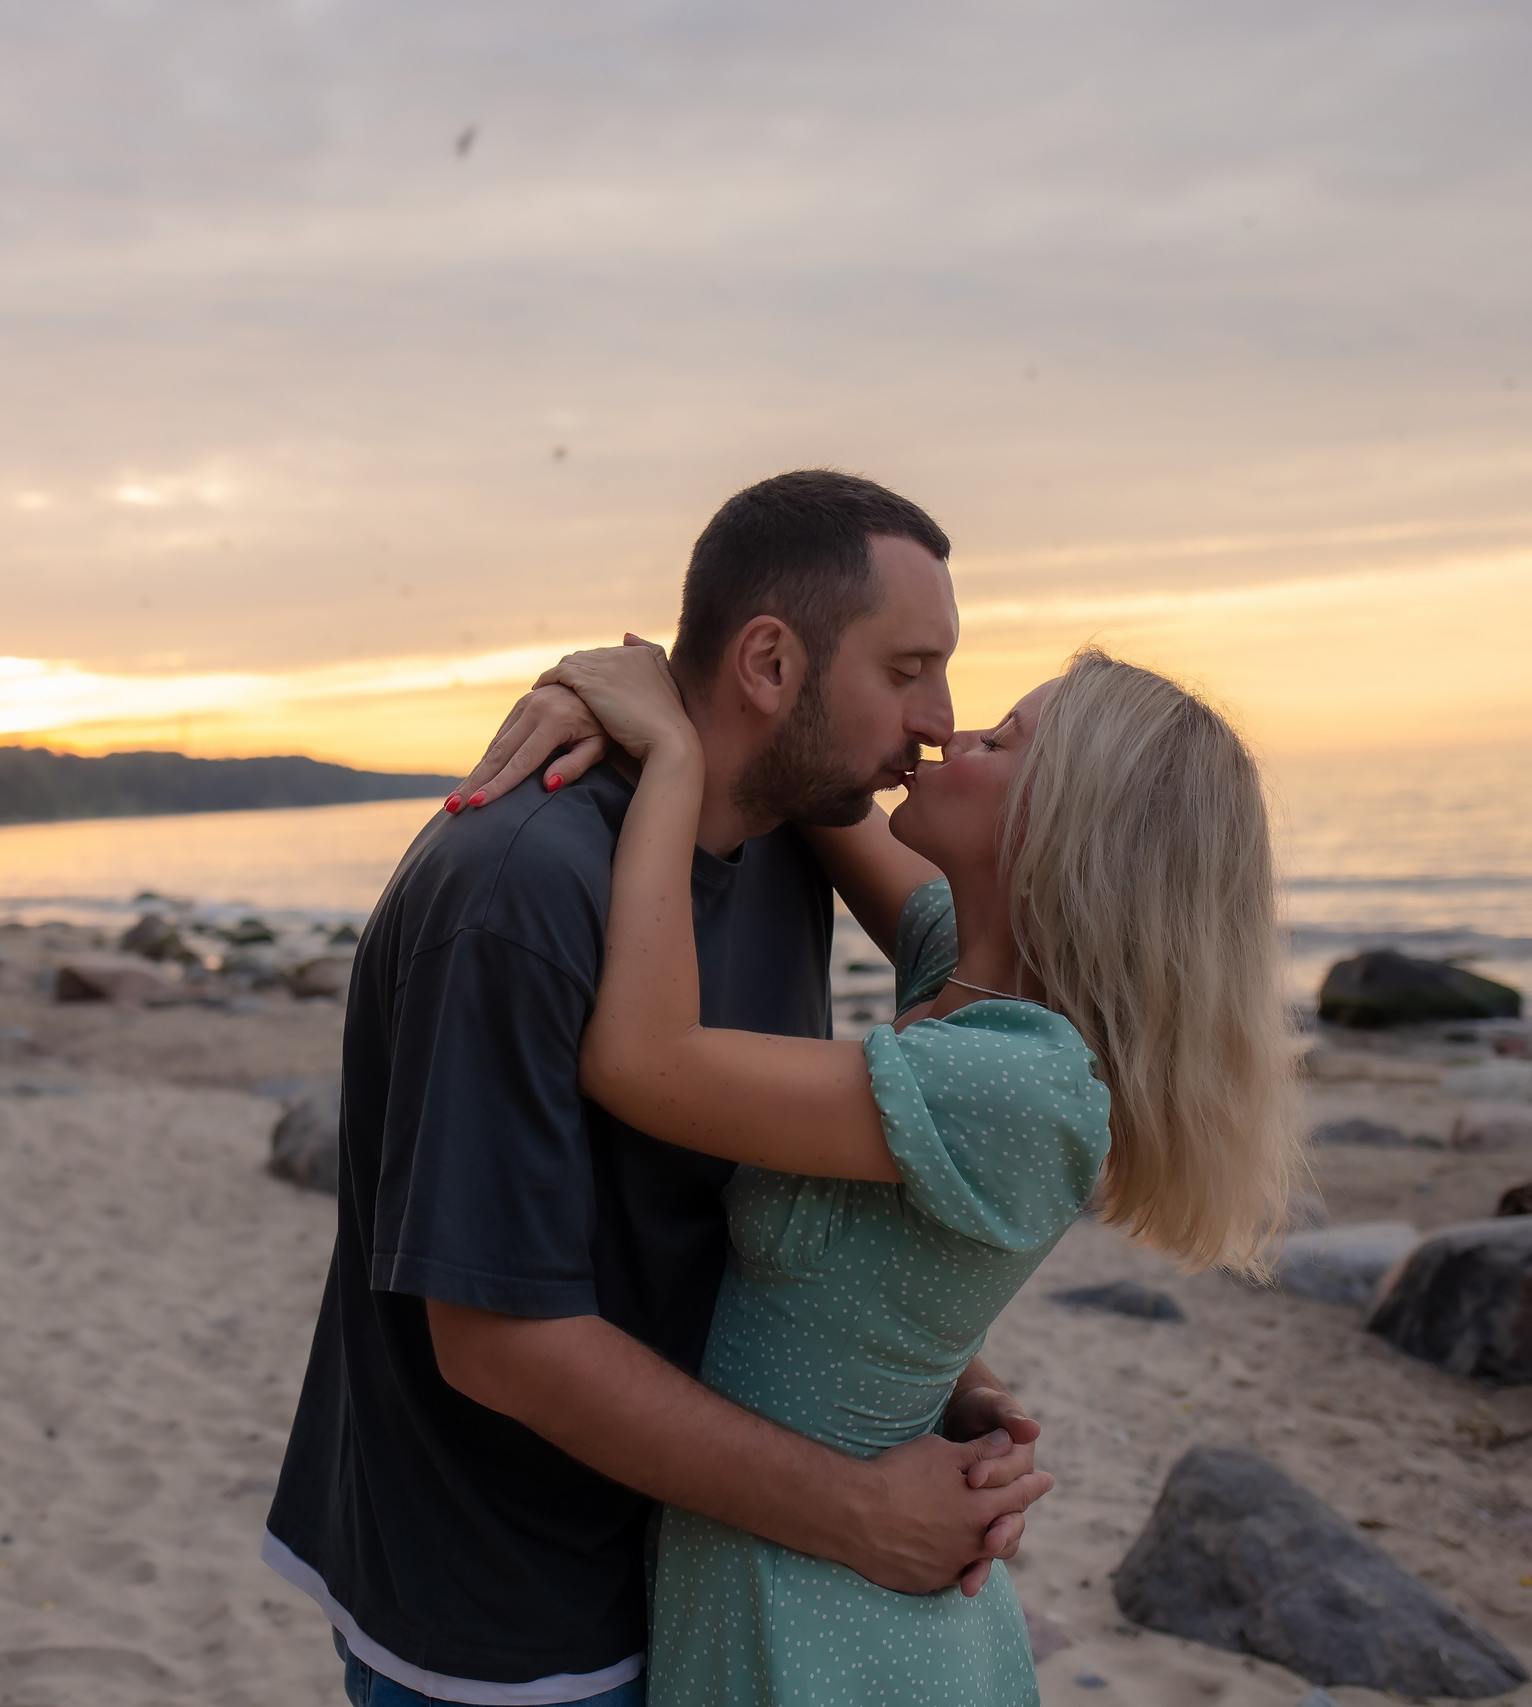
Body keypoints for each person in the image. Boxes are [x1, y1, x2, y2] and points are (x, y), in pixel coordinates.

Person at [263, 472, 1056, 1707]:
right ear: (769, 663)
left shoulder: (785, 828)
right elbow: (499, 1343)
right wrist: (855, 1511)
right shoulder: (520, 888)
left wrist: (930, 1381)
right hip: (516, 1623)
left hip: (697, 1568)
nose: (941, 724)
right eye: (908, 670)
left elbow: (718, 1197)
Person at [517, 636, 1302, 1704]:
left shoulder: (1016, 1080)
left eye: (1001, 741)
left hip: (837, 1615)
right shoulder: (968, 978)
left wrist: (671, 751)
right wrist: (688, 679)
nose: (950, 734)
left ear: (1063, 831)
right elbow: (809, 775)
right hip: (790, 1559)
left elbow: (641, 1061)